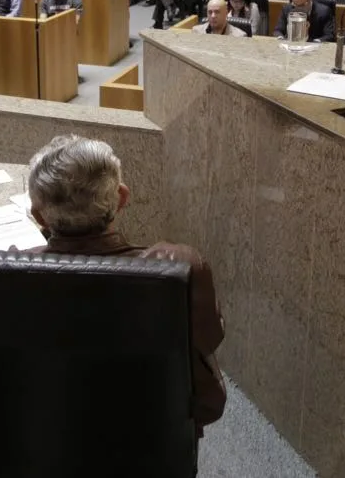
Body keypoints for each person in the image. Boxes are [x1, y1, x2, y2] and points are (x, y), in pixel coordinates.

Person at [26, 135, 226, 433]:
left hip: (46, 430)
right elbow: (210, 338)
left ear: (38, 216)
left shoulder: (10, 270)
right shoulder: (181, 266)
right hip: (153, 430)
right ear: (122, 197)